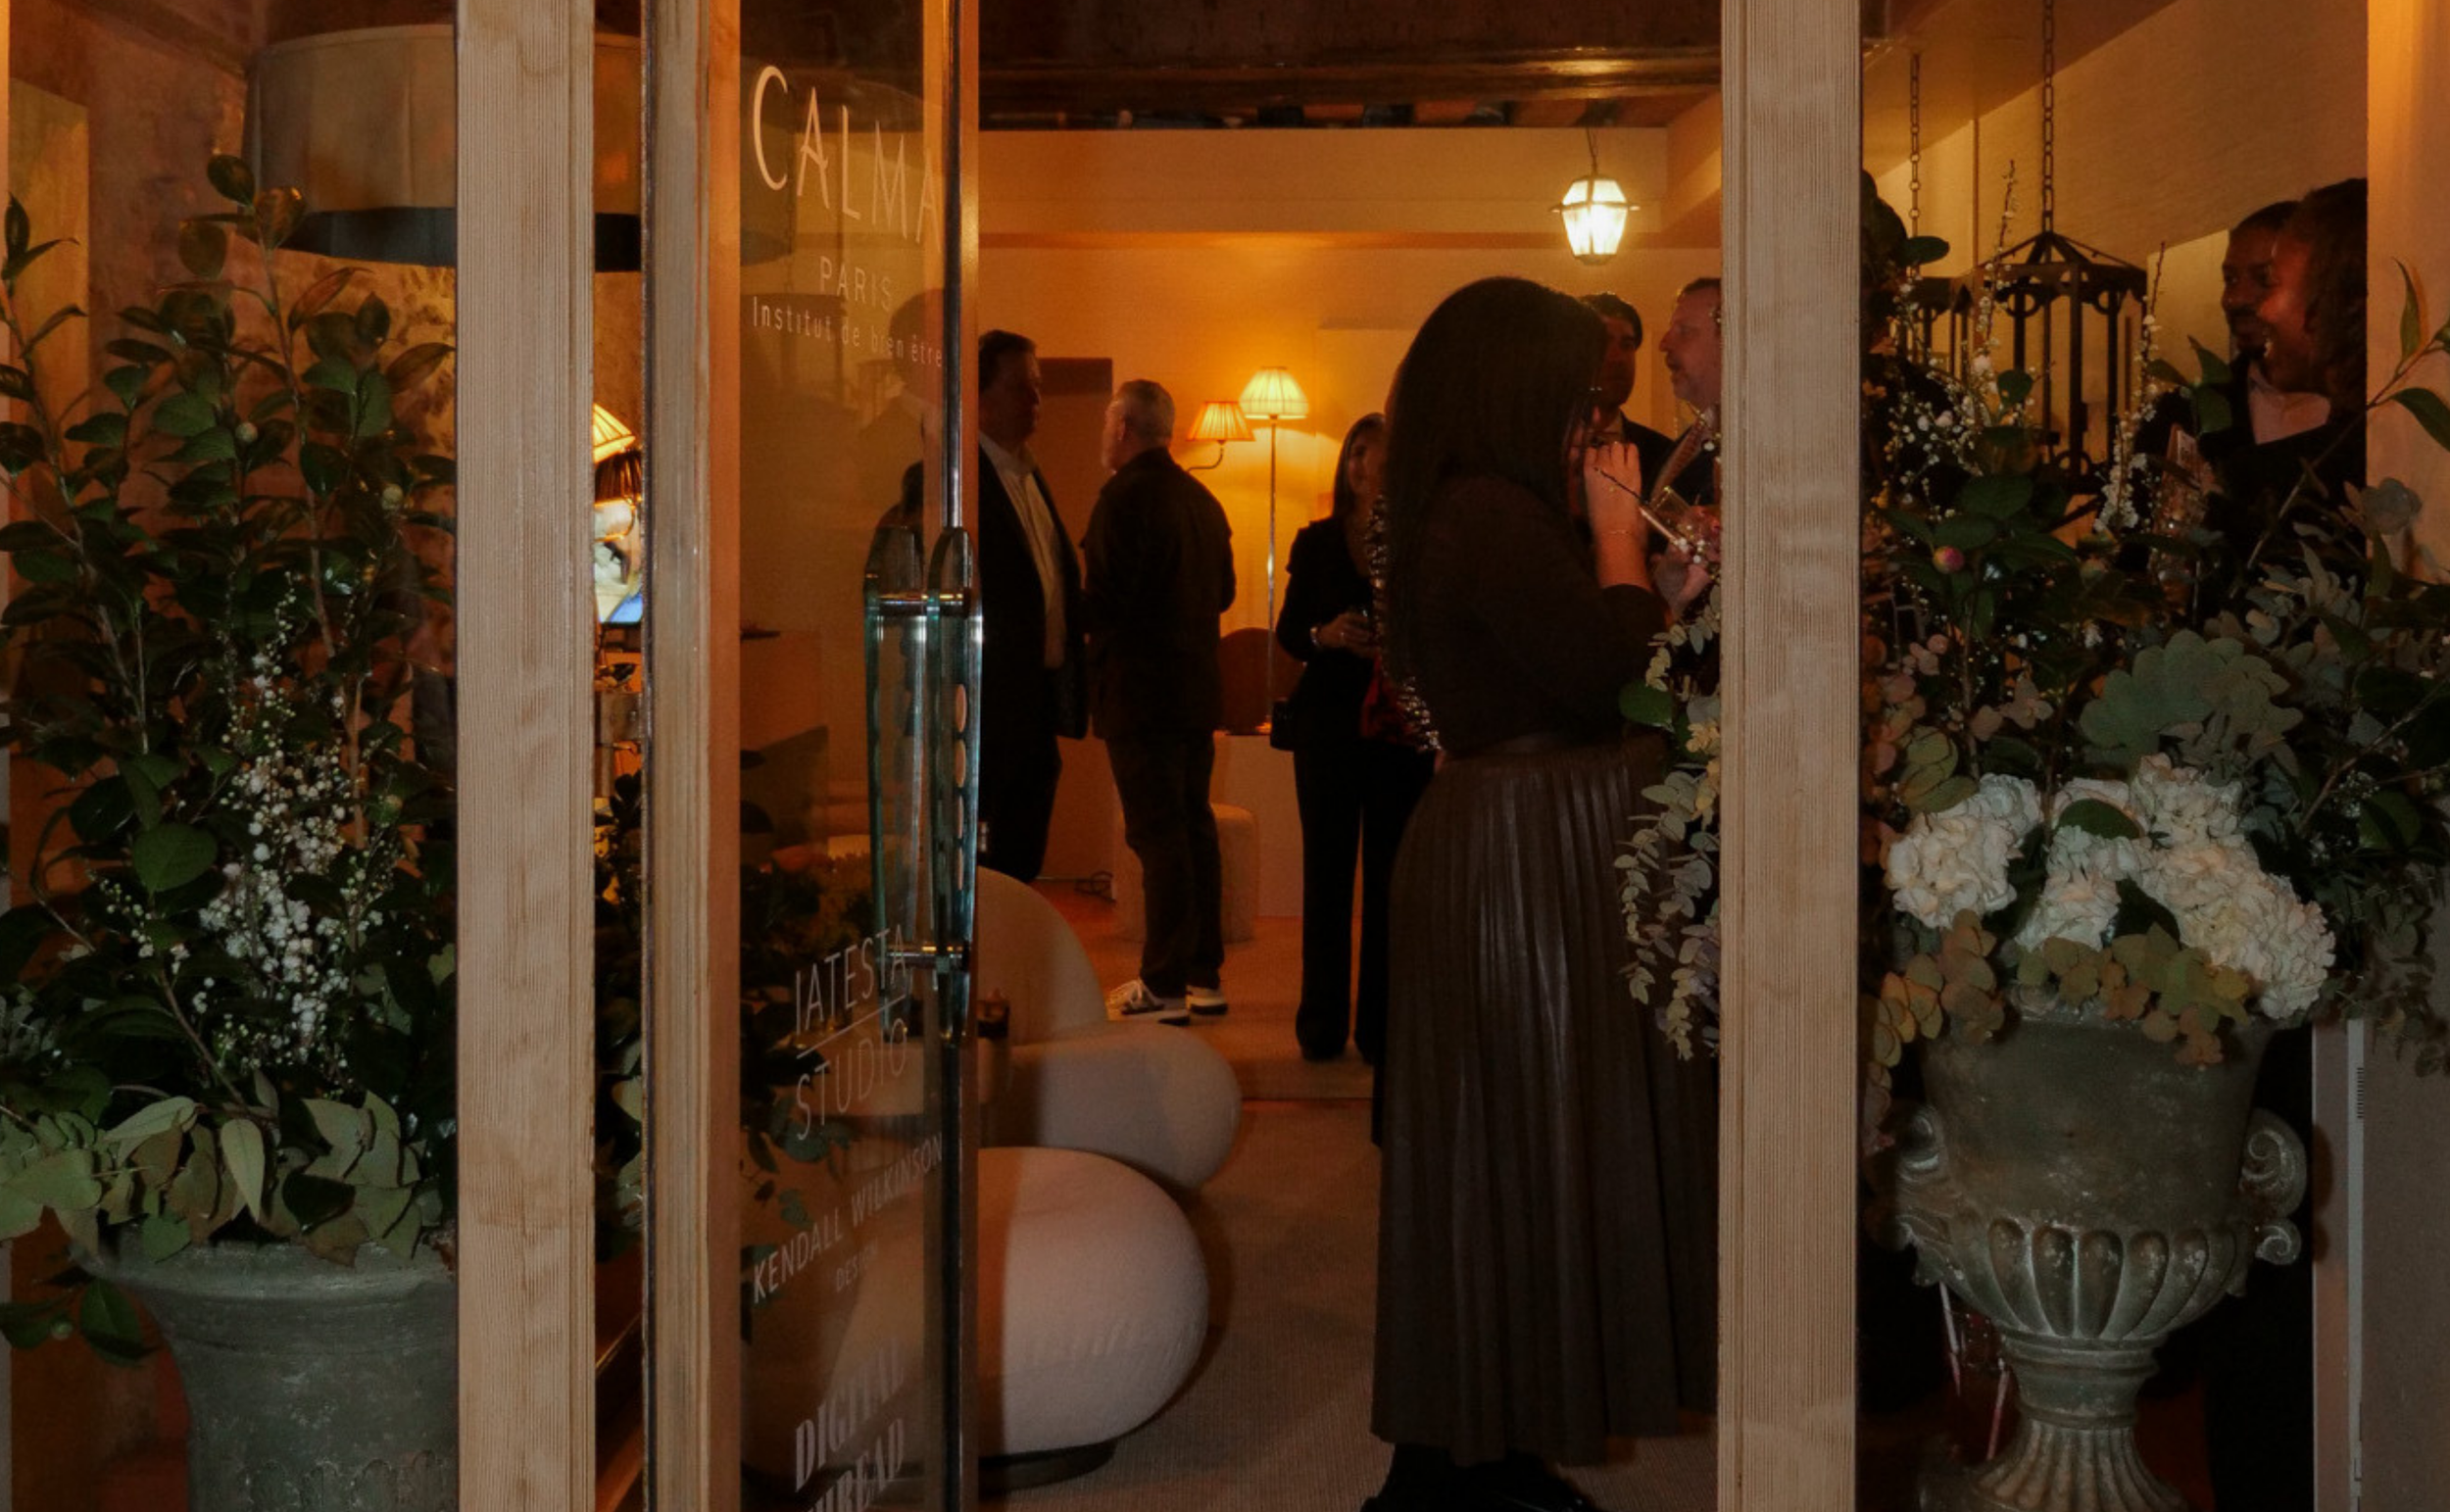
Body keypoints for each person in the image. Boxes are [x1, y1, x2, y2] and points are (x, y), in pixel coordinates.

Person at [1367, 277, 1716, 1512]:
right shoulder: (1485, 512)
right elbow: (1594, 679)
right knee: (1510, 1146)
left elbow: (1578, 656)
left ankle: (1482, 1449)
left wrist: (1649, 589)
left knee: (1511, 1151)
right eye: (1578, 400)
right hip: (1515, 857)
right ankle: (1458, 1468)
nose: (1596, 424)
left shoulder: (1485, 509)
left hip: (1513, 844)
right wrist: (1625, 551)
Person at [2193, 177, 2367, 1512]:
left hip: (2341, 867)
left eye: (2272, 280)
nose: (2248, 307)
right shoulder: (2213, 432)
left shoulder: (2382, 458)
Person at [1274, 414, 1435, 1067]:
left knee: (1391, 879)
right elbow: (1289, 633)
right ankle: (1320, 1024)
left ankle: (1380, 1027)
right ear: (1351, 464)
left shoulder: (1421, 542)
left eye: (1392, 452)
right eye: (1367, 453)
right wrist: (1326, 634)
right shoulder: (1316, 543)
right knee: (1328, 874)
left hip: (1399, 731)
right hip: (1330, 728)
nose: (1377, 464)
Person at [1082, 380, 1237, 1025]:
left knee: (1159, 833)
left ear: (1124, 427)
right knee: (1194, 828)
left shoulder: (1122, 498)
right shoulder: (1202, 498)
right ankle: (1204, 975)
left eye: (1108, 420)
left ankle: (1163, 981)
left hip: (1140, 694)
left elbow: (1107, 601)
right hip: (1196, 692)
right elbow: (1225, 592)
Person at [974, 330, 1086, 884]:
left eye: (1038, 390)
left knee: (1023, 861)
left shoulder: (1029, 474)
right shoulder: (962, 478)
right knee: (990, 869)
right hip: (990, 708)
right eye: (1022, 389)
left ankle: (1015, 966)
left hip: (1035, 706)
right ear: (981, 395)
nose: (1036, 403)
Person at [1580, 292, 1679, 492]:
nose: (1618, 358)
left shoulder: (1664, 456)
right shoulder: (1543, 448)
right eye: (1603, 343)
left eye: (1627, 345)